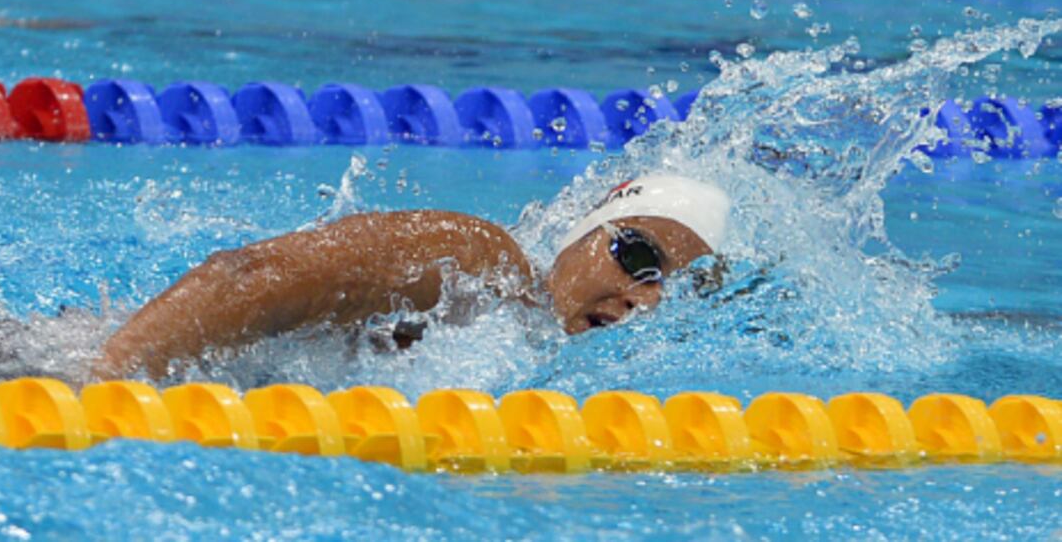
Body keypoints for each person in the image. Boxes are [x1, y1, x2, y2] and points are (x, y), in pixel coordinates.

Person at [93, 174, 729, 380]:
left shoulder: (527, 346)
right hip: (78, 369)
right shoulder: (481, 261)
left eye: (669, 285)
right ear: (581, 233)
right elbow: (249, 273)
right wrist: (102, 379)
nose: (644, 296)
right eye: (639, 256)